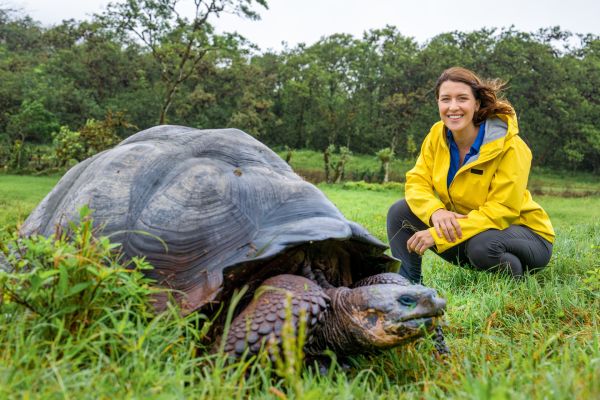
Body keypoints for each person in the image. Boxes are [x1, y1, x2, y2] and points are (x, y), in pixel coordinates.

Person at [387, 67, 554, 284]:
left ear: (476, 104)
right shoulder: (436, 136)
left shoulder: (511, 146)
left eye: (462, 99)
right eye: (445, 99)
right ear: (438, 103)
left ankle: (514, 282)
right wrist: (435, 213)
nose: (453, 107)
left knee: (482, 246)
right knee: (400, 211)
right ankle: (407, 286)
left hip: (526, 236)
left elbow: (502, 210)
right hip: (472, 230)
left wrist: (436, 234)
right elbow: (417, 181)